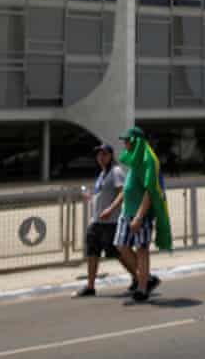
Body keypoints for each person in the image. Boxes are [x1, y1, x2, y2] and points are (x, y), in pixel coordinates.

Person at [103, 126, 171, 302]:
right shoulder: (134, 162)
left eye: (127, 141)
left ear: (137, 142)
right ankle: (147, 278)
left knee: (142, 250)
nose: (125, 144)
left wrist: (140, 217)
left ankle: (142, 288)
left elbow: (150, 190)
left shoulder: (148, 161)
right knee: (121, 246)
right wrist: (111, 208)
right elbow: (126, 190)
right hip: (126, 212)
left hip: (141, 215)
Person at [72, 143, 139, 298]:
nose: (101, 158)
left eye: (104, 154)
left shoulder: (115, 172)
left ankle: (139, 277)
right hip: (96, 221)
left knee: (118, 253)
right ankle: (90, 286)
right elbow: (101, 194)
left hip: (111, 221)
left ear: (110, 156)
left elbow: (122, 193)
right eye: (98, 155)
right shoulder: (102, 174)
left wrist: (110, 209)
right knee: (92, 251)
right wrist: (90, 196)